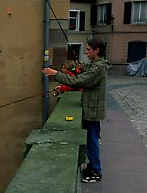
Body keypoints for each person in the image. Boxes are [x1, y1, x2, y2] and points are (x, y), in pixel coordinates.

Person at [42, 37, 108, 183]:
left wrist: (55, 74)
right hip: (92, 109)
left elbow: (78, 81)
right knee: (92, 139)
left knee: (92, 141)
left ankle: (96, 171)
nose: (86, 51)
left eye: (89, 49)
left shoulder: (98, 67)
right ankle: (92, 166)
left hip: (92, 110)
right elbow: (83, 71)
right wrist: (75, 67)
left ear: (97, 51)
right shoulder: (96, 65)